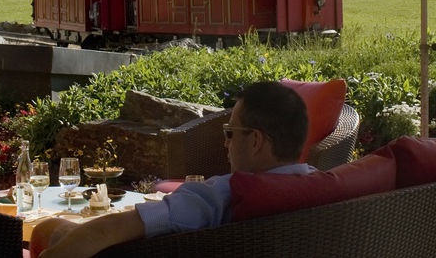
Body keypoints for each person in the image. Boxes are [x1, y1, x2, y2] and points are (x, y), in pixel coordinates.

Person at [33, 81, 312, 258]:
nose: (225, 143)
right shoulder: (321, 189)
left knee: (48, 229)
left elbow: (107, 232)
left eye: (230, 132)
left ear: (255, 141)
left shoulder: (218, 196)